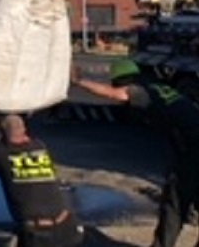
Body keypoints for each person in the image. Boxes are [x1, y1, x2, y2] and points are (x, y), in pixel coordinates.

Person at [72, 58, 199, 247]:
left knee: (174, 203)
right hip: (191, 146)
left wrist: (79, 81)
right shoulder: (160, 89)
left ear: (123, 81)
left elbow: (117, 95)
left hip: (193, 150)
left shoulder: (141, 91)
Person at [0, 110, 84, 247]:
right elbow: (21, 136)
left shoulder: (0, 154)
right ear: (24, 130)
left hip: (37, 233)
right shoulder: (40, 147)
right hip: (66, 226)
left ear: (1, 133)